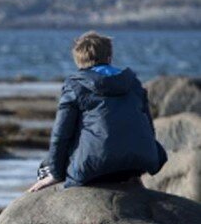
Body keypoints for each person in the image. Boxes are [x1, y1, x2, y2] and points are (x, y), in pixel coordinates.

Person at [28, 31, 167, 193]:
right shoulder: (133, 83)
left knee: (45, 167)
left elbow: (61, 135)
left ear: (79, 61)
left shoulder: (76, 85)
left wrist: (56, 174)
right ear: (109, 58)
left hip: (96, 168)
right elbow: (149, 128)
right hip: (139, 164)